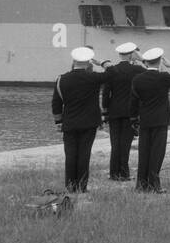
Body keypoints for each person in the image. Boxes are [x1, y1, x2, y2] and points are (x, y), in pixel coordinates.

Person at [52, 46, 114, 193]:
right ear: (88, 63)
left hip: (69, 122)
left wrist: (58, 122)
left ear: (73, 60)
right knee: (84, 154)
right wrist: (103, 62)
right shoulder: (93, 78)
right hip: (89, 122)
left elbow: (56, 103)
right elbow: (113, 72)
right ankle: (82, 186)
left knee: (71, 155)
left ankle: (70, 186)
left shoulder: (61, 79)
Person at [131, 48, 170, 193]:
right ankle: (154, 184)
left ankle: (141, 184)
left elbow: (133, 101)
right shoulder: (163, 77)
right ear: (160, 61)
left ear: (145, 62)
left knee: (144, 152)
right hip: (160, 120)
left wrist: (133, 119)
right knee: (157, 153)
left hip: (145, 119)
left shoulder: (138, 79)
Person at [101, 41, 140, 181]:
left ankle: (113, 173)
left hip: (114, 111)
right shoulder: (137, 70)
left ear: (119, 54)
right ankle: (124, 173)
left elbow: (106, 94)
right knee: (126, 144)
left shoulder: (112, 70)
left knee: (115, 143)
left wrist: (105, 112)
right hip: (131, 112)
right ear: (131, 55)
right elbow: (153, 72)